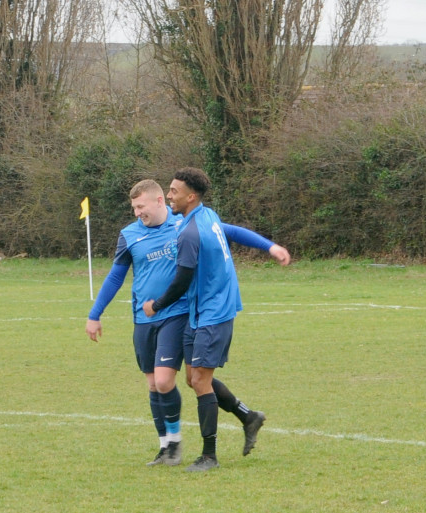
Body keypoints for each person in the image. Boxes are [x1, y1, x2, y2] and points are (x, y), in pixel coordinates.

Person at [86, 179, 289, 467]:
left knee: (170, 379)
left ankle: (194, 450)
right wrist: (95, 313)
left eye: (140, 206)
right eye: (133, 208)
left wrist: (269, 246)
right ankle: (171, 444)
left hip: (179, 314)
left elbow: (227, 232)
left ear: (157, 202)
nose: (136, 213)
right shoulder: (129, 235)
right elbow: (116, 276)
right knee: (168, 383)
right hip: (143, 318)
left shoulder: (183, 225)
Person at [143, 167, 279, 472]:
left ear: (191, 196)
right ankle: (248, 416)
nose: (169, 195)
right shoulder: (206, 215)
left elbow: (182, 279)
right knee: (193, 379)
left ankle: (209, 456)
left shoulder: (191, 232)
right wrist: (270, 246)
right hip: (199, 310)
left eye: (174, 191)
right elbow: (233, 232)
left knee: (201, 381)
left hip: (213, 312)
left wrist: (158, 305)